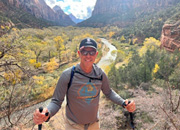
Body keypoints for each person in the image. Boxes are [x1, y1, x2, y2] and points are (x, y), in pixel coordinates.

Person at [33, 38, 136, 130]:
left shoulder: (100, 74)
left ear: (96, 54)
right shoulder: (68, 75)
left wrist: (124, 103)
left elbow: (108, 92)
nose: (88, 55)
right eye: (84, 52)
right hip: (73, 126)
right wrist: (47, 113)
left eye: (92, 52)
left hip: (94, 125)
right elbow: (56, 101)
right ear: (79, 53)